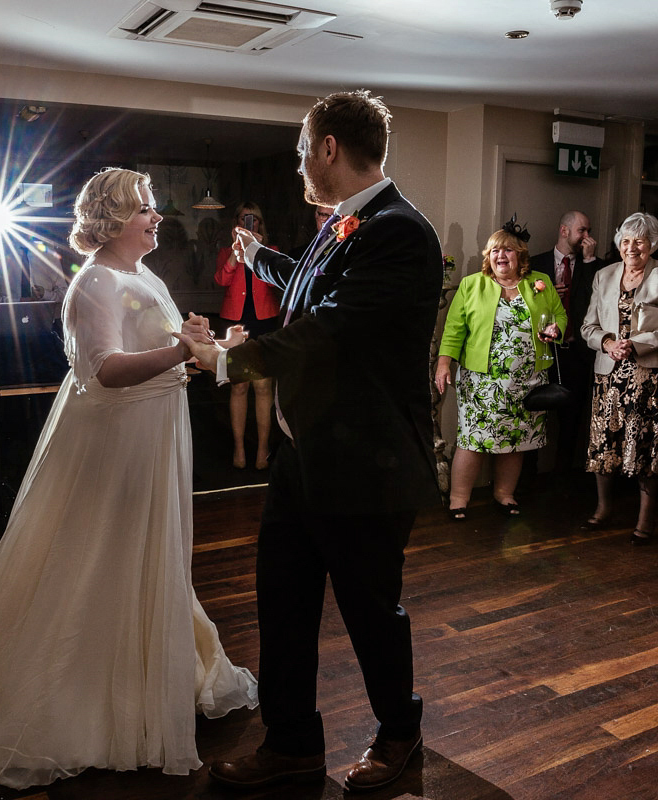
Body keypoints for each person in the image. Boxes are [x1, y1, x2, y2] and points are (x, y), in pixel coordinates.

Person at [0, 168, 258, 789]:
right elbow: (103, 369)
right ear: (111, 220)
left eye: (154, 209)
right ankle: (88, 691)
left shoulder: (142, 275)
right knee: (101, 554)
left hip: (156, 432)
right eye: (145, 210)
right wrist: (183, 351)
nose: (158, 218)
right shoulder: (95, 283)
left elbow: (160, 348)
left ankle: (157, 664)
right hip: (119, 443)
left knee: (147, 554)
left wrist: (205, 346)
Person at [178, 90, 442, 794]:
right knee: (282, 603)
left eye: (303, 148)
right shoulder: (342, 224)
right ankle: (291, 745)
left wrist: (228, 362)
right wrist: (261, 258)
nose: (300, 161)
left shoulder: (400, 230)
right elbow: (310, 283)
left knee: (369, 613)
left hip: (367, 463)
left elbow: (326, 327)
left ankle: (400, 735)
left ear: (328, 148)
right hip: (303, 459)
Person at [434, 222, 565, 518]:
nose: (500, 255)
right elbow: (454, 329)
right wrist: (443, 364)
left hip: (528, 380)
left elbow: (559, 314)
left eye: (507, 249)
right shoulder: (472, 284)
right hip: (482, 380)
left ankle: (504, 494)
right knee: (473, 439)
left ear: (520, 255)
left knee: (516, 441)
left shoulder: (539, 282)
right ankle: (459, 499)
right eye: (494, 250)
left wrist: (557, 328)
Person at [580, 211, 658, 544]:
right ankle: (603, 508)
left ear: (651, 243)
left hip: (652, 375)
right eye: (626, 241)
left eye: (639, 241)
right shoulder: (604, 275)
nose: (632, 248)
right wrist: (608, 342)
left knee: (649, 445)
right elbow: (588, 326)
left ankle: (645, 517)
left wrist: (636, 344)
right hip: (609, 374)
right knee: (603, 443)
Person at [529, 210, 603, 469]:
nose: (587, 236)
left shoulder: (594, 266)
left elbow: (599, 301)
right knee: (534, 413)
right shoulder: (535, 264)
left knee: (572, 418)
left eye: (588, 231)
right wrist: (544, 297)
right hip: (541, 351)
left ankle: (563, 477)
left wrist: (590, 260)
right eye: (582, 230)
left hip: (576, 352)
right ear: (564, 231)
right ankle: (528, 475)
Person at [215, 201, 281, 469]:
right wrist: (235, 252)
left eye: (253, 220)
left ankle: (262, 448)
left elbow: (275, 281)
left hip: (265, 322)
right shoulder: (225, 252)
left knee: (263, 387)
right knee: (239, 386)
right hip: (235, 323)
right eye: (243, 220)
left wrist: (258, 248)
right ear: (235, 224)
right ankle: (239, 448)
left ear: (260, 224)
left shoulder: (272, 251)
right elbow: (221, 279)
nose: (248, 224)